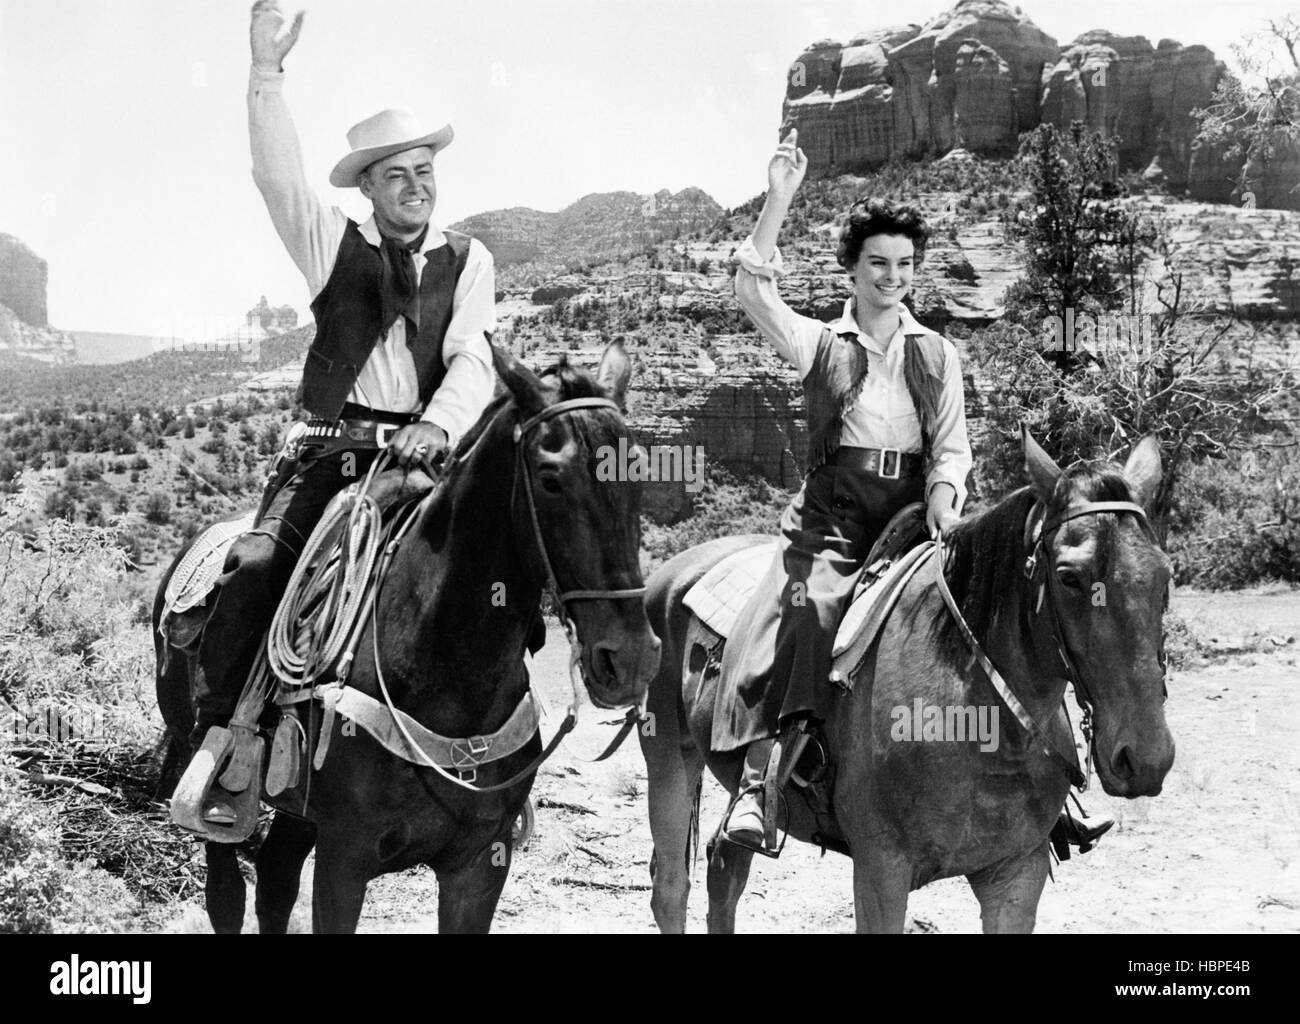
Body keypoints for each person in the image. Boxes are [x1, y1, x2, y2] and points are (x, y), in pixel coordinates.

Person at [716, 130, 1111, 855]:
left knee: (1000, 610)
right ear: (852, 269)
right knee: (811, 609)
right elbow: (750, 289)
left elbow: (952, 442)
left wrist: (945, 494)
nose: (892, 277)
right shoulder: (818, 343)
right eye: (878, 264)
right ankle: (760, 777)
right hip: (833, 516)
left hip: (913, 509)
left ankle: (1056, 785)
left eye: (903, 265)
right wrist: (778, 199)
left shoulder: (938, 352)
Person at [188, 1, 497, 820]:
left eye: (424, 171)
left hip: (425, 459)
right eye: (396, 174)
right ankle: (222, 739)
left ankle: (499, 759)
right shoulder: (333, 244)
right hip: (330, 454)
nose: (415, 186)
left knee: (506, 565)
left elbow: (474, 356)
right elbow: (276, 175)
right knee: (256, 566)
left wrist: (439, 427)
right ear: (367, 187)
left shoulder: (469, 261)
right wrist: (265, 73)